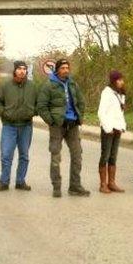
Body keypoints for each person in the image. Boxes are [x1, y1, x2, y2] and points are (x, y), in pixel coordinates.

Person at [37, 58, 89, 198]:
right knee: (56, 156)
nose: (66, 70)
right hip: (57, 126)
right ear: (57, 69)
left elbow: (81, 101)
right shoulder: (49, 85)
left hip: (72, 125)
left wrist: (79, 116)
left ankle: (75, 186)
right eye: (63, 68)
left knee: (77, 155)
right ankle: (56, 186)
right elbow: (41, 106)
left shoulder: (73, 83)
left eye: (67, 68)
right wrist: (51, 121)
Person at [0, 60, 38, 192]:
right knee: (6, 154)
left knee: (24, 155)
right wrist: (4, 113)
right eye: (19, 69)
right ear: (15, 71)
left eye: (24, 69)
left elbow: (40, 103)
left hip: (26, 126)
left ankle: (20, 181)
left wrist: (32, 112)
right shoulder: (5, 85)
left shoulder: (32, 87)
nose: (22, 71)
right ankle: (4, 181)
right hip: (9, 125)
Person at [97, 70, 127, 194]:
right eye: (119, 80)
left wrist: (122, 126)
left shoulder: (121, 94)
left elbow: (120, 113)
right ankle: (103, 183)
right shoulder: (107, 93)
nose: (121, 82)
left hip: (117, 128)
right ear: (114, 81)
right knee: (105, 155)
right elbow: (101, 112)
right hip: (108, 129)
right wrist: (107, 127)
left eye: (122, 79)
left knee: (113, 156)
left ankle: (112, 182)